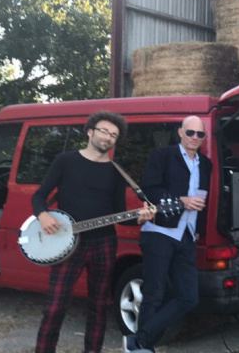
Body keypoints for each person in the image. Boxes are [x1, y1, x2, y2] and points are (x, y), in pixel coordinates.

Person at [32, 111, 154, 353]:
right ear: (90, 131)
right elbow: (38, 197)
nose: (108, 137)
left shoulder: (116, 171)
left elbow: (120, 214)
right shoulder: (65, 161)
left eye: (114, 135)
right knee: (55, 307)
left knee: (98, 307)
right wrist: (43, 215)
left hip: (104, 244)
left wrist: (140, 218)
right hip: (67, 243)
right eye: (104, 131)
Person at [125, 116, 213, 352]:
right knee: (154, 293)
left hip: (187, 235)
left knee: (189, 297)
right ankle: (144, 345)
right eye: (191, 132)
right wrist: (180, 200)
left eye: (200, 134)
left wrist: (198, 231)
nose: (195, 137)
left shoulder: (206, 164)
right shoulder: (162, 155)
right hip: (159, 232)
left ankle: (139, 338)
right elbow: (149, 190)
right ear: (180, 132)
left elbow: (205, 198)